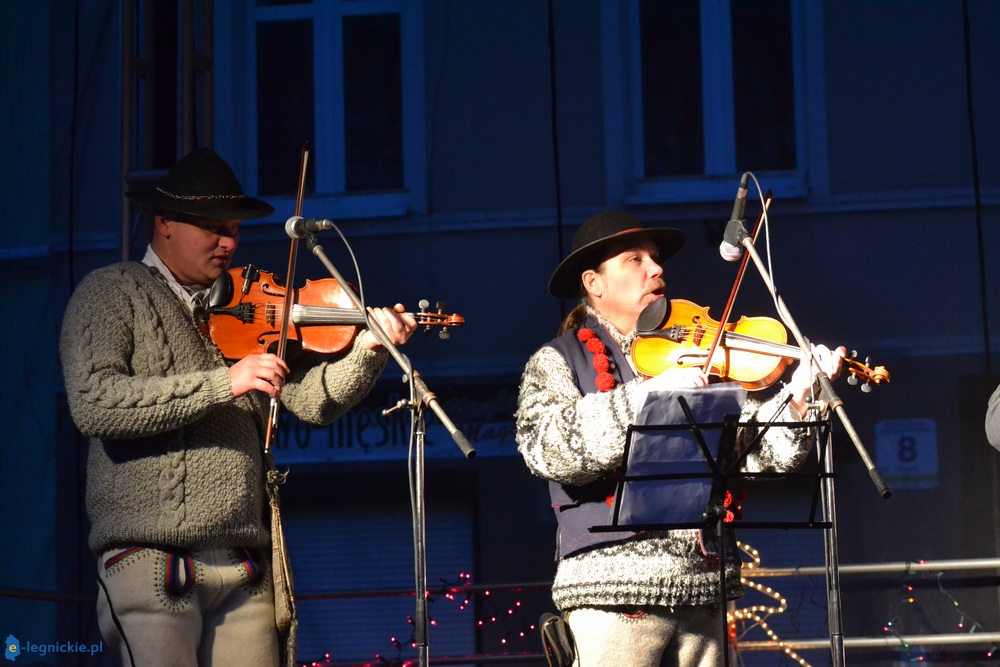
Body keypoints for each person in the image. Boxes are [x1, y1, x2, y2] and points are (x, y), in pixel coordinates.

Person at [59, 147, 417, 667]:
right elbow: (96, 404)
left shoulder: (251, 303)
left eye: (234, 229)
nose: (228, 242)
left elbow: (312, 402)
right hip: (153, 561)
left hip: (244, 564)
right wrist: (223, 383)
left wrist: (367, 354)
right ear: (164, 224)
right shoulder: (111, 292)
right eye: (213, 228)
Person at [515, 211, 846, 666]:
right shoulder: (558, 361)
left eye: (654, 258)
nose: (656, 269)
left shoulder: (695, 351)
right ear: (594, 282)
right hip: (614, 599)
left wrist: (796, 394)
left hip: (705, 593)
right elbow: (545, 448)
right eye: (635, 260)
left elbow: (753, 453)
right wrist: (645, 395)